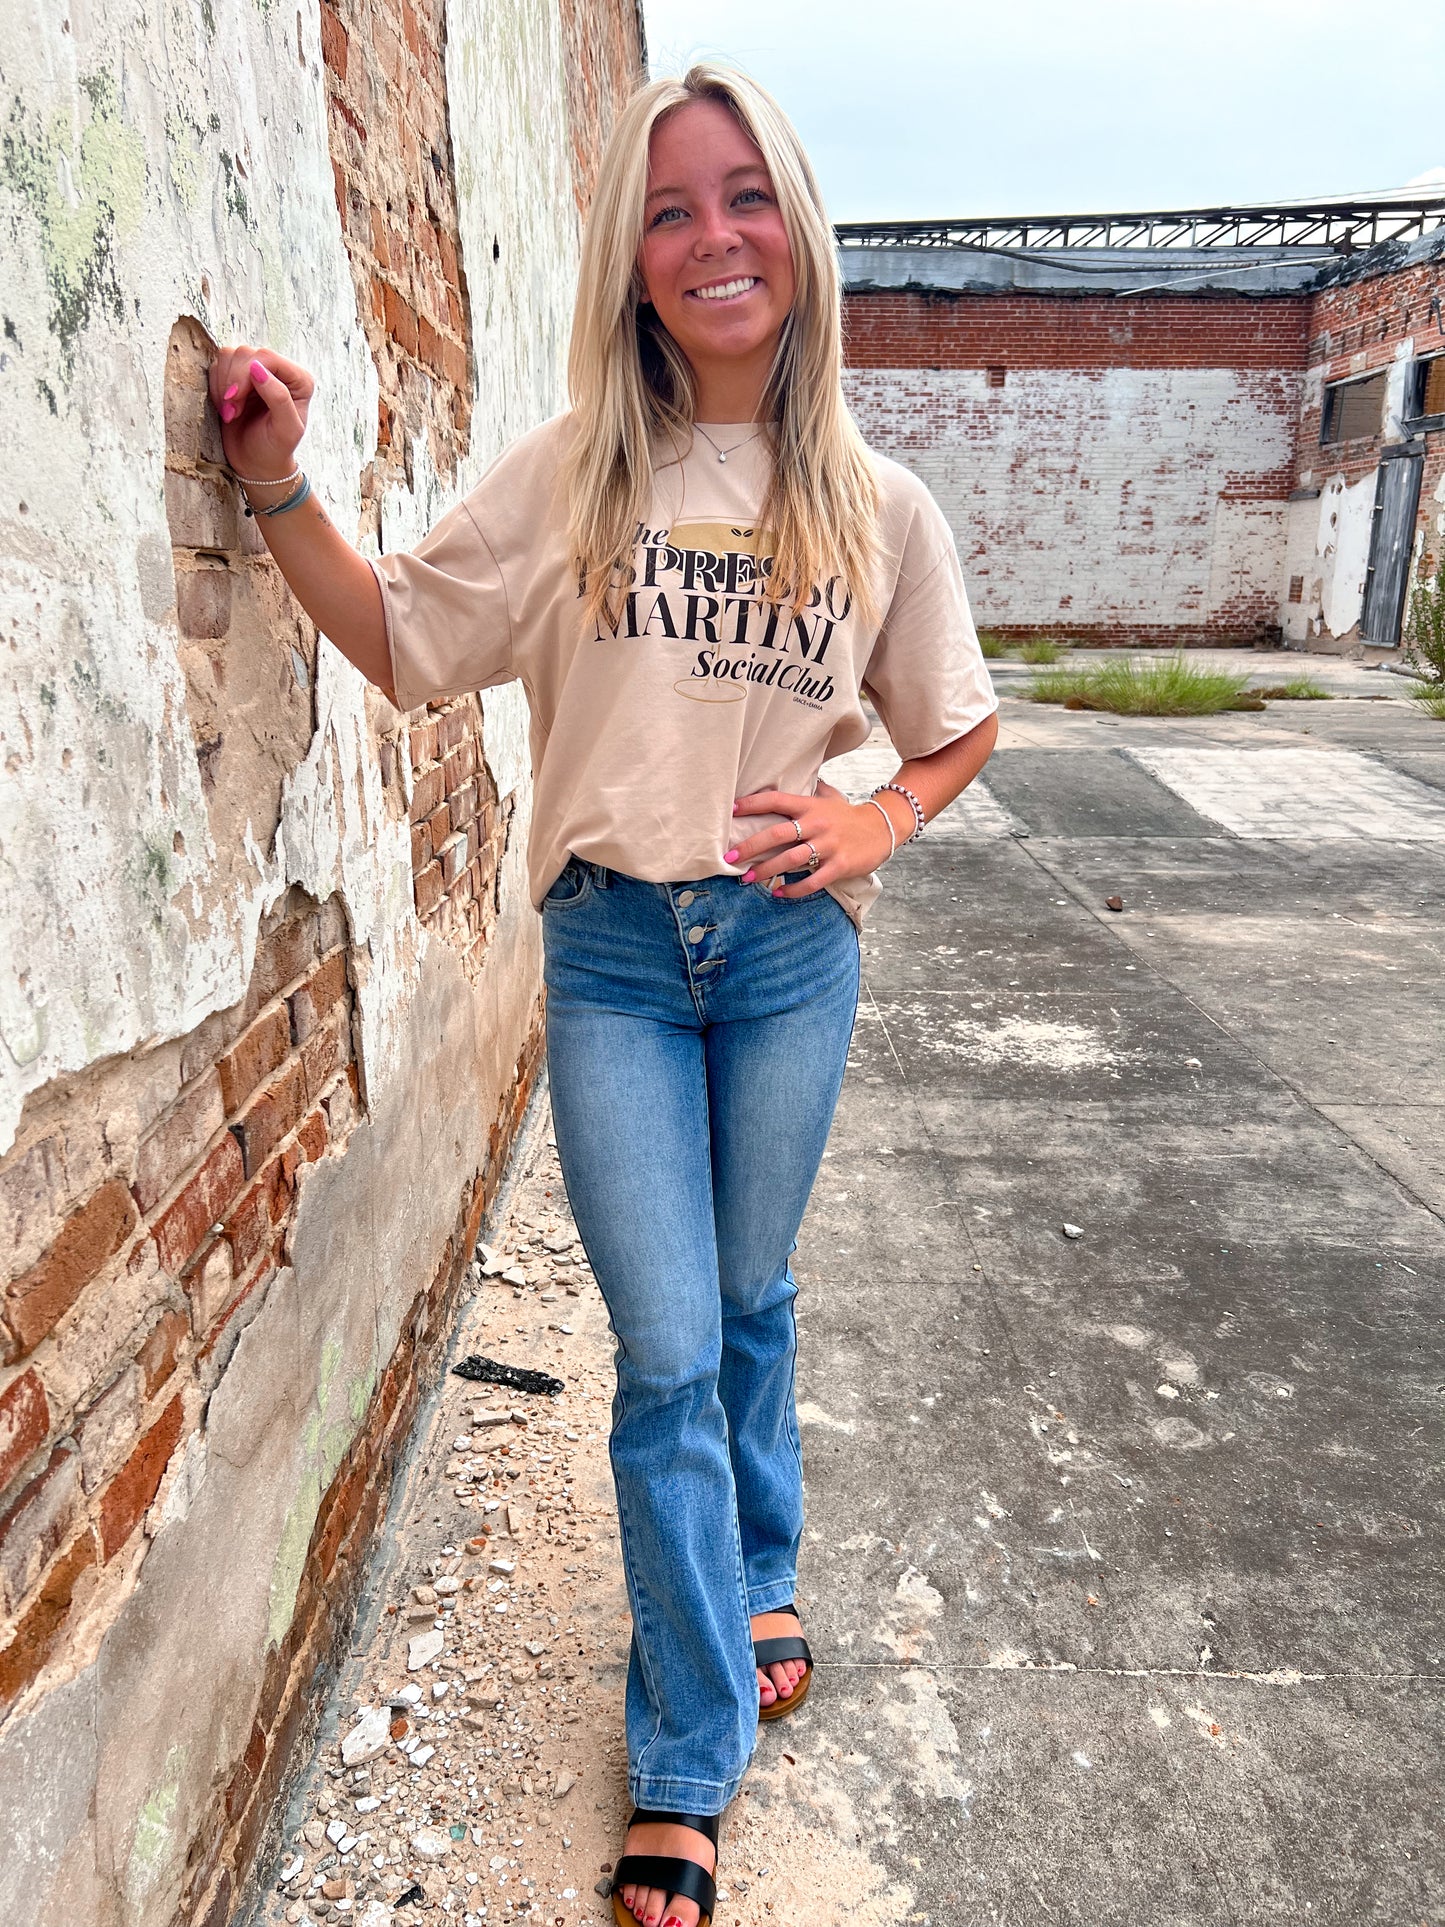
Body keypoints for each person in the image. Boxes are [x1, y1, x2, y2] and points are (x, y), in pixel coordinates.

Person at [209, 62, 997, 1927]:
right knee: (665, 1352)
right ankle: (687, 1754)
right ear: (631, 262)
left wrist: (876, 815)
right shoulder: (580, 472)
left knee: (747, 1296)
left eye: (743, 196)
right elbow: (404, 635)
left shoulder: (877, 504)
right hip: (619, 962)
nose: (712, 237)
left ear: (797, 229)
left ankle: (758, 1568)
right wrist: (275, 481)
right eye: (668, 210)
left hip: (789, 954)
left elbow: (955, 726)